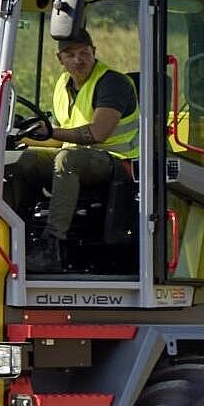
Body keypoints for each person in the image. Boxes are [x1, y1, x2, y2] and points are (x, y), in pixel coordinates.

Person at [17, 27, 138, 265]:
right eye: (70, 55)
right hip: (79, 154)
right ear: (60, 59)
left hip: (118, 162)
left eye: (84, 53)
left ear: (94, 52)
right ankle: (19, 234)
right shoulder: (63, 84)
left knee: (67, 160)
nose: (78, 60)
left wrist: (50, 131)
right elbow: (60, 138)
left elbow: (98, 133)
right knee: (25, 160)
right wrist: (22, 137)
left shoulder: (113, 83)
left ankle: (52, 245)